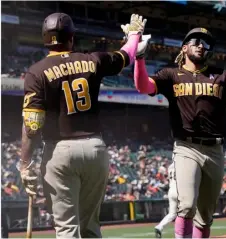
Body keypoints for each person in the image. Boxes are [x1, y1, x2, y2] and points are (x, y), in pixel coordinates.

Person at [128, 26, 226, 238]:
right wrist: (139, 57)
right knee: (186, 206)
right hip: (186, 146)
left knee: (205, 216)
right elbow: (143, 87)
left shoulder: (222, 76)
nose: (201, 45)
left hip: (215, 150)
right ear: (184, 48)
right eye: (196, 41)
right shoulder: (171, 74)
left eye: (205, 43)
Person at [17, 12, 147, 238]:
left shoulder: (36, 72)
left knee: (67, 229)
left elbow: (32, 125)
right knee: (90, 228)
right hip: (95, 149)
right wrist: (134, 36)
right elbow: (125, 56)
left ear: (45, 38)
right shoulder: (92, 60)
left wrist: (25, 164)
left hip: (60, 151)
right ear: (72, 37)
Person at [154, 162, 178, 238]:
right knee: (189, 211)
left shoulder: (170, 166)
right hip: (179, 190)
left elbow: (167, 178)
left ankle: (159, 226)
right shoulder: (182, 163)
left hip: (171, 190)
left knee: (172, 214)